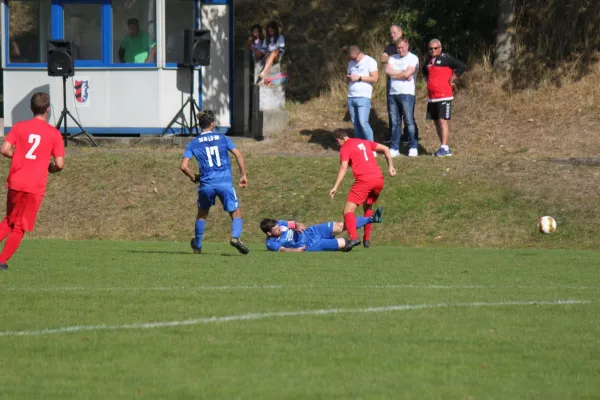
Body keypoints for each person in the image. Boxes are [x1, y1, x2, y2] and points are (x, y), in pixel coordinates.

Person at [0, 92, 65, 270]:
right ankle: (2, 260)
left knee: (9, 221)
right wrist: (53, 168)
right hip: (34, 185)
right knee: (19, 227)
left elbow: (4, 148)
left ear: (31, 108)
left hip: (16, 181)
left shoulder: (19, 127)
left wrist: (17, 158)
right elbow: (60, 163)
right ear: (48, 110)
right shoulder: (53, 134)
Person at [180, 110, 249, 255]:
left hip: (206, 185)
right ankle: (235, 237)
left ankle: (197, 245)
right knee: (235, 213)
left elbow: (183, 166)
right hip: (224, 183)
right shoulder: (222, 138)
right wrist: (243, 175)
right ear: (212, 124)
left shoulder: (193, 143)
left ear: (200, 125)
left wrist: (193, 177)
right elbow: (238, 154)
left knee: (202, 215)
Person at [329, 131, 396, 251]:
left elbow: (343, 167)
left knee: (348, 211)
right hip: (378, 179)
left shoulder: (345, 147)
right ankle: (367, 239)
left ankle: (353, 238)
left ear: (339, 140)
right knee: (368, 207)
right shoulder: (363, 142)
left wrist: (335, 186)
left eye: (337, 144)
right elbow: (385, 148)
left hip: (365, 180)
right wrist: (390, 166)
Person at [422, 39, 467, 157]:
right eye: (430, 48)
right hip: (432, 96)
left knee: (442, 120)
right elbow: (424, 72)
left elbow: (462, 66)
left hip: (444, 95)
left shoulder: (446, 58)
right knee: (436, 122)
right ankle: (442, 146)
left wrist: (453, 78)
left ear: (440, 48)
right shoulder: (428, 60)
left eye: (435, 48)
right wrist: (428, 82)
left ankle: (445, 148)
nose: (433, 50)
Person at [260, 210, 382, 253]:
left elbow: (295, 223)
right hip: (310, 245)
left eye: (278, 226)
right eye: (276, 229)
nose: (279, 228)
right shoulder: (270, 243)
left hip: (311, 232)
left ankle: (372, 218)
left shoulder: (280, 223)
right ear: (269, 233)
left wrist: (299, 225)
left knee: (340, 226)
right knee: (344, 242)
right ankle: (345, 246)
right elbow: (282, 250)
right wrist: (295, 250)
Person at [380, 25, 419, 146]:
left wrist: (396, 72)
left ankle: (411, 141)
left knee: (408, 118)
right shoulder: (390, 48)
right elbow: (384, 62)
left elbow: (407, 72)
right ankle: (394, 143)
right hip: (393, 90)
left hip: (407, 92)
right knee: (394, 118)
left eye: (394, 32)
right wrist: (401, 73)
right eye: (390, 33)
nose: (392, 35)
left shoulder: (411, 54)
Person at [346, 45, 379, 142]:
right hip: (351, 96)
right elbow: (347, 79)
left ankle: (371, 147)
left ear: (359, 53)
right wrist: (348, 78)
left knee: (363, 122)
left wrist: (359, 78)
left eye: (355, 58)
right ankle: (360, 147)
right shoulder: (351, 63)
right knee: (355, 123)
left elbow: (375, 78)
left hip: (363, 97)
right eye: (351, 58)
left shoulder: (370, 61)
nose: (354, 60)